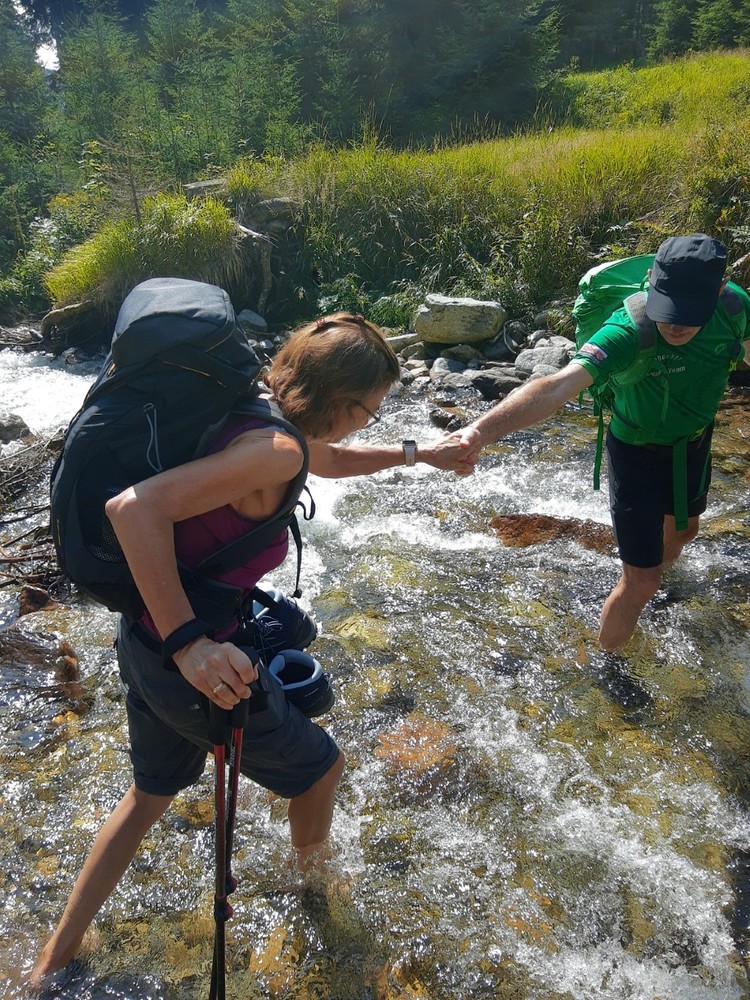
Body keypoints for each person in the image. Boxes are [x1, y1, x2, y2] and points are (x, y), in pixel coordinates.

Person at [31, 311, 475, 985]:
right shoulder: (277, 452)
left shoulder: (256, 410)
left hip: (145, 634)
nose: (368, 423)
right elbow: (134, 510)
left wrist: (419, 454)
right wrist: (191, 647)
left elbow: (324, 459)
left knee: (148, 797)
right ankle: (313, 900)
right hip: (190, 656)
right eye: (371, 412)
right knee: (320, 771)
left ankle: (51, 961)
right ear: (341, 400)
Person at [452, 234, 750, 652]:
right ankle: (609, 663)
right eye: (668, 308)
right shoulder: (630, 329)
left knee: (683, 532)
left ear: (718, 291)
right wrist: (480, 431)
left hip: (694, 445)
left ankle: (658, 580)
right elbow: (556, 387)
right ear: (652, 280)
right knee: (641, 582)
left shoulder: (735, 308)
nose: (675, 325)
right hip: (636, 454)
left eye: (689, 313)